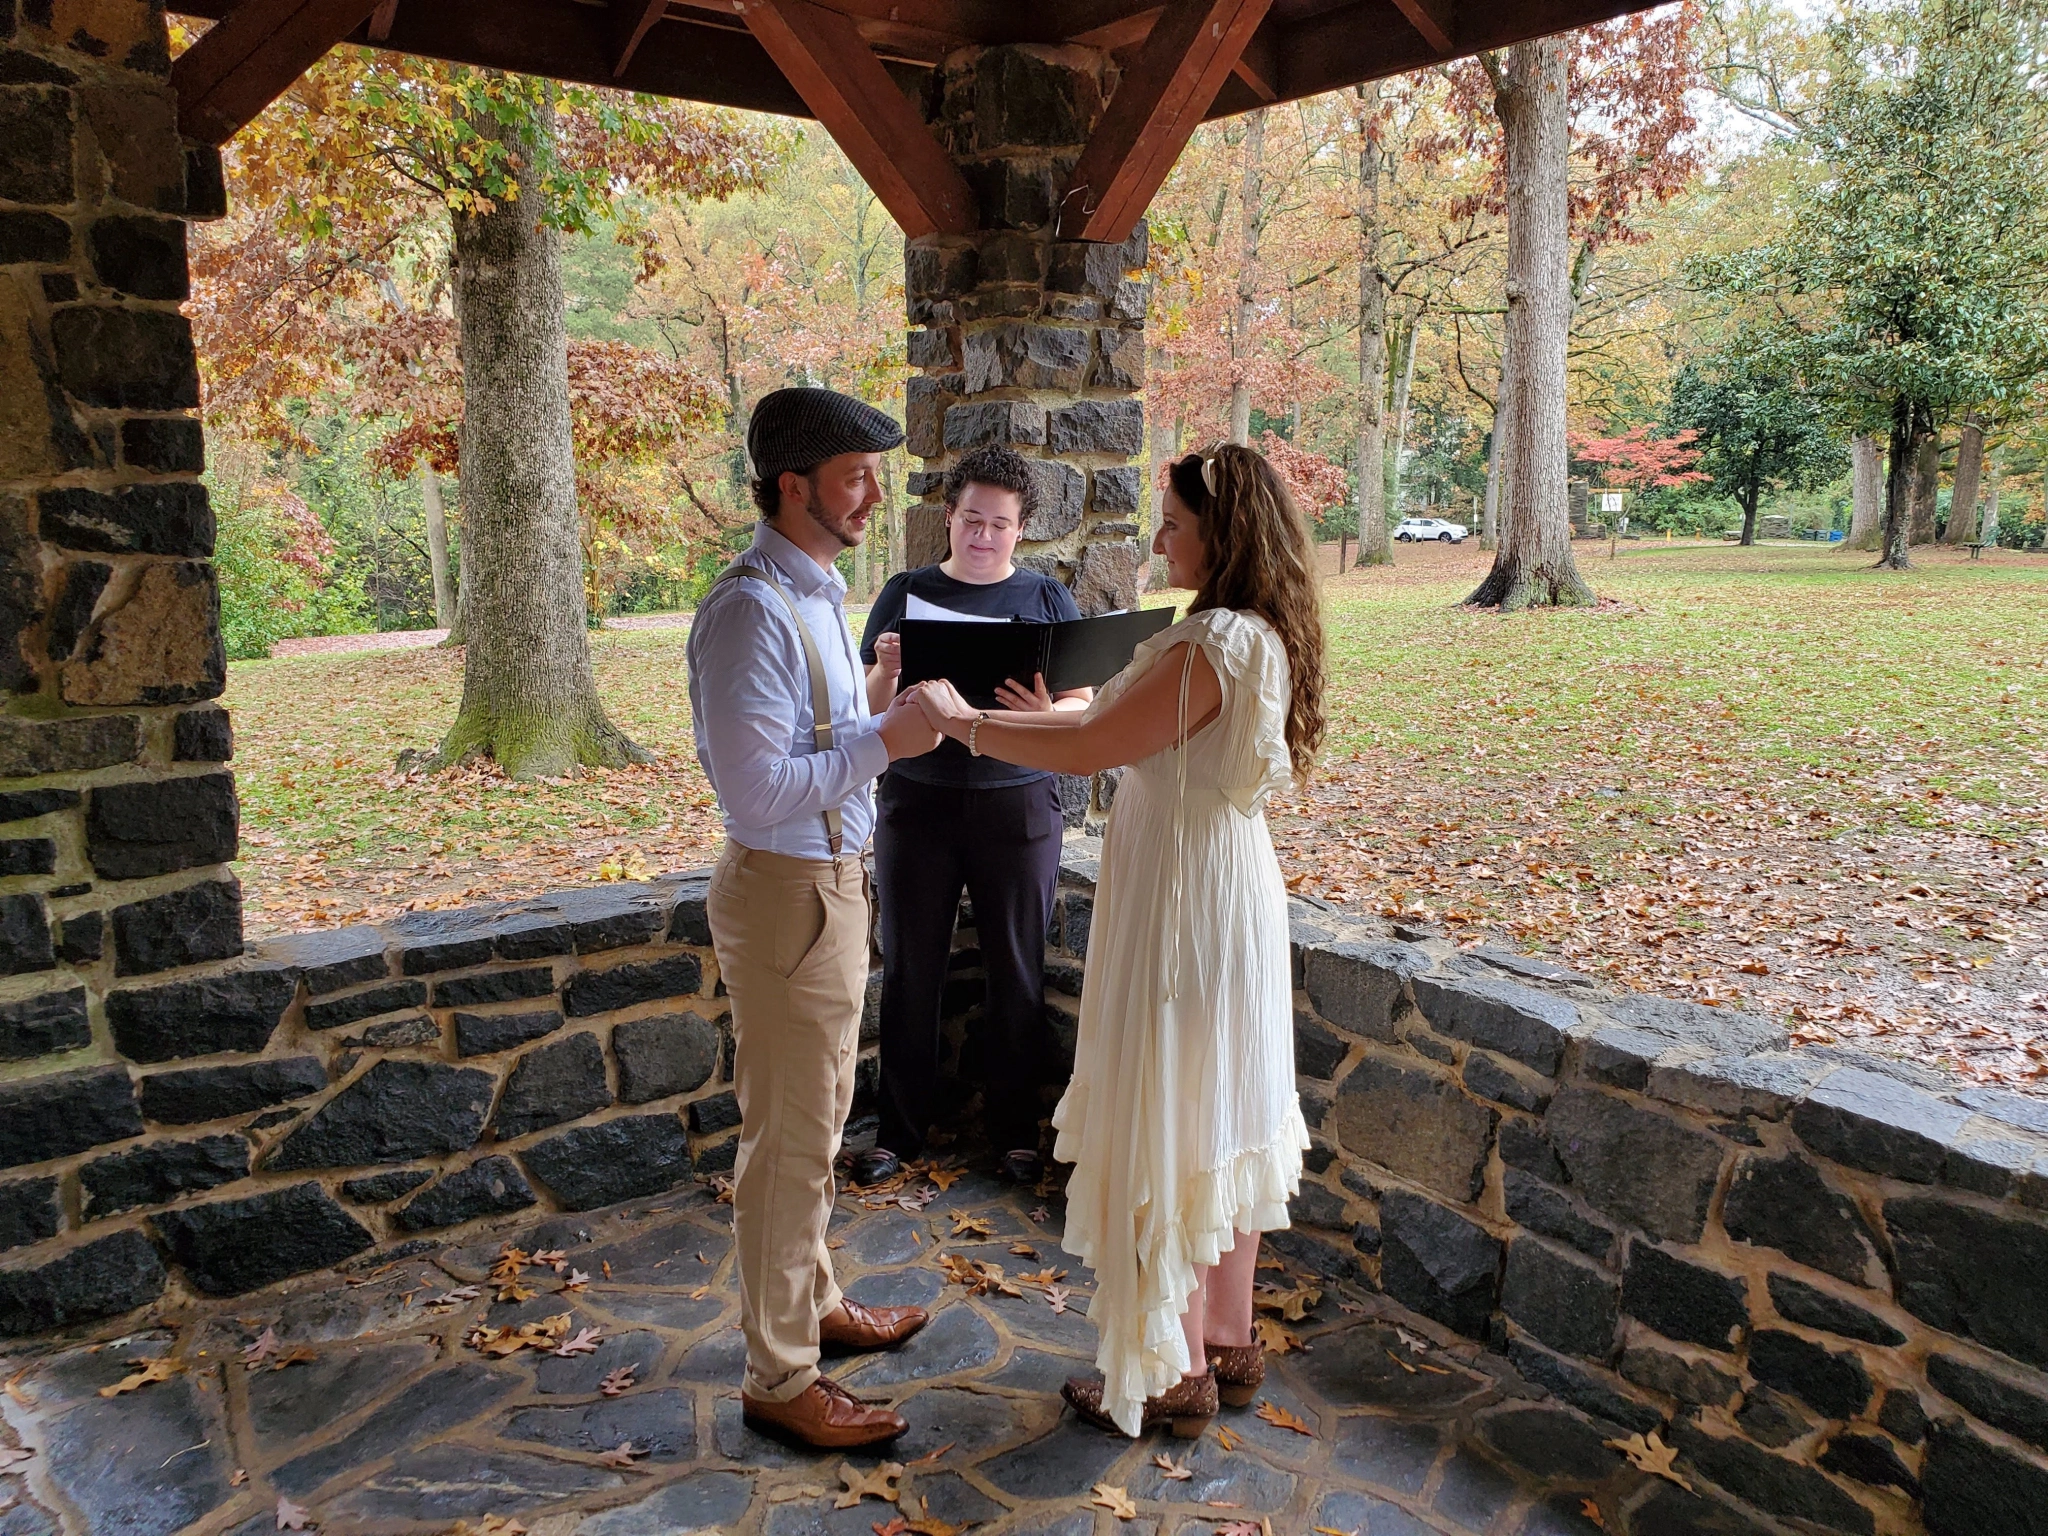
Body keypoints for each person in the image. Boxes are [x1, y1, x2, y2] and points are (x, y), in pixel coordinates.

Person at [910, 443, 1326, 1438]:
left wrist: (962, 724)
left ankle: (1171, 1369)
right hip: (1223, 889)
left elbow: (1099, 748)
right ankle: (1225, 1338)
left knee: (1171, 1116)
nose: (1157, 540)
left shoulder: (1208, 642)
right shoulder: (1249, 632)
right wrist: (1047, 712)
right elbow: (1121, 727)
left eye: (1173, 525)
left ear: (1221, 534)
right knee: (1218, 1112)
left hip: (1183, 908)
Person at [685, 386, 943, 1450]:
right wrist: (889, 741)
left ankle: (813, 1307)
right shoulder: (748, 608)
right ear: (791, 485)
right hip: (790, 896)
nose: (872, 492)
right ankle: (780, 1376)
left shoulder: (814, 589)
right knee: (789, 1144)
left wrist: (873, 709)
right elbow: (755, 793)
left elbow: (812, 747)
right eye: (853, 475)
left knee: (819, 1121)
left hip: (830, 891)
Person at [855, 444, 1092, 1187]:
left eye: (999, 523)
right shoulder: (904, 590)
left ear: (1020, 530)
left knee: (1016, 970)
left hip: (1016, 805)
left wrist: (1047, 710)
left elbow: (1085, 708)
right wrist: (890, 669)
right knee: (910, 968)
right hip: (915, 801)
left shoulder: (1047, 600)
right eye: (970, 520)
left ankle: (1016, 1135)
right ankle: (899, 1131)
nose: (983, 535)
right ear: (949, 519)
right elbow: (864, 708)